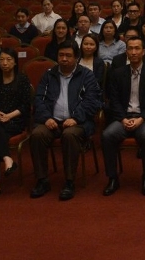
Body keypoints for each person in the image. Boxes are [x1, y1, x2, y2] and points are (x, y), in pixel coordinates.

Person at [30, 42, 102, 200]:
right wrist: (46, 118)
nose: (63, 59)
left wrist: (76, 118)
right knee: (37, 134)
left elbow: (93, 101)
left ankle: (69, 181)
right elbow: (39, 99)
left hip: (78, 122)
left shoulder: (86, 75)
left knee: (69, 135)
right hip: (52, 121)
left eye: (68, 56)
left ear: (76, 58)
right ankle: (42, 180)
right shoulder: (49, 75)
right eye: (61, 55)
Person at [102, 36, 145, 196]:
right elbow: (113, 101)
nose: (134, 52)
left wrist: (141, 119)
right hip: (123, 117)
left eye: (137, 48)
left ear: (143, 52)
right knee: (107, 135)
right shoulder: (117, 73)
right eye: (130, 48)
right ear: (126, 51)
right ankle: (112, 178)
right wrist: (123, 119)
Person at [0, 52, 32, 197]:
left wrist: (8, 116)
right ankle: (7, 158)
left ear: (15, 62)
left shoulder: (22, 80)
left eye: (8, 60)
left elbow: (25, 105)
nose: (5, 63)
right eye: (2, 59)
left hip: (14, 120)